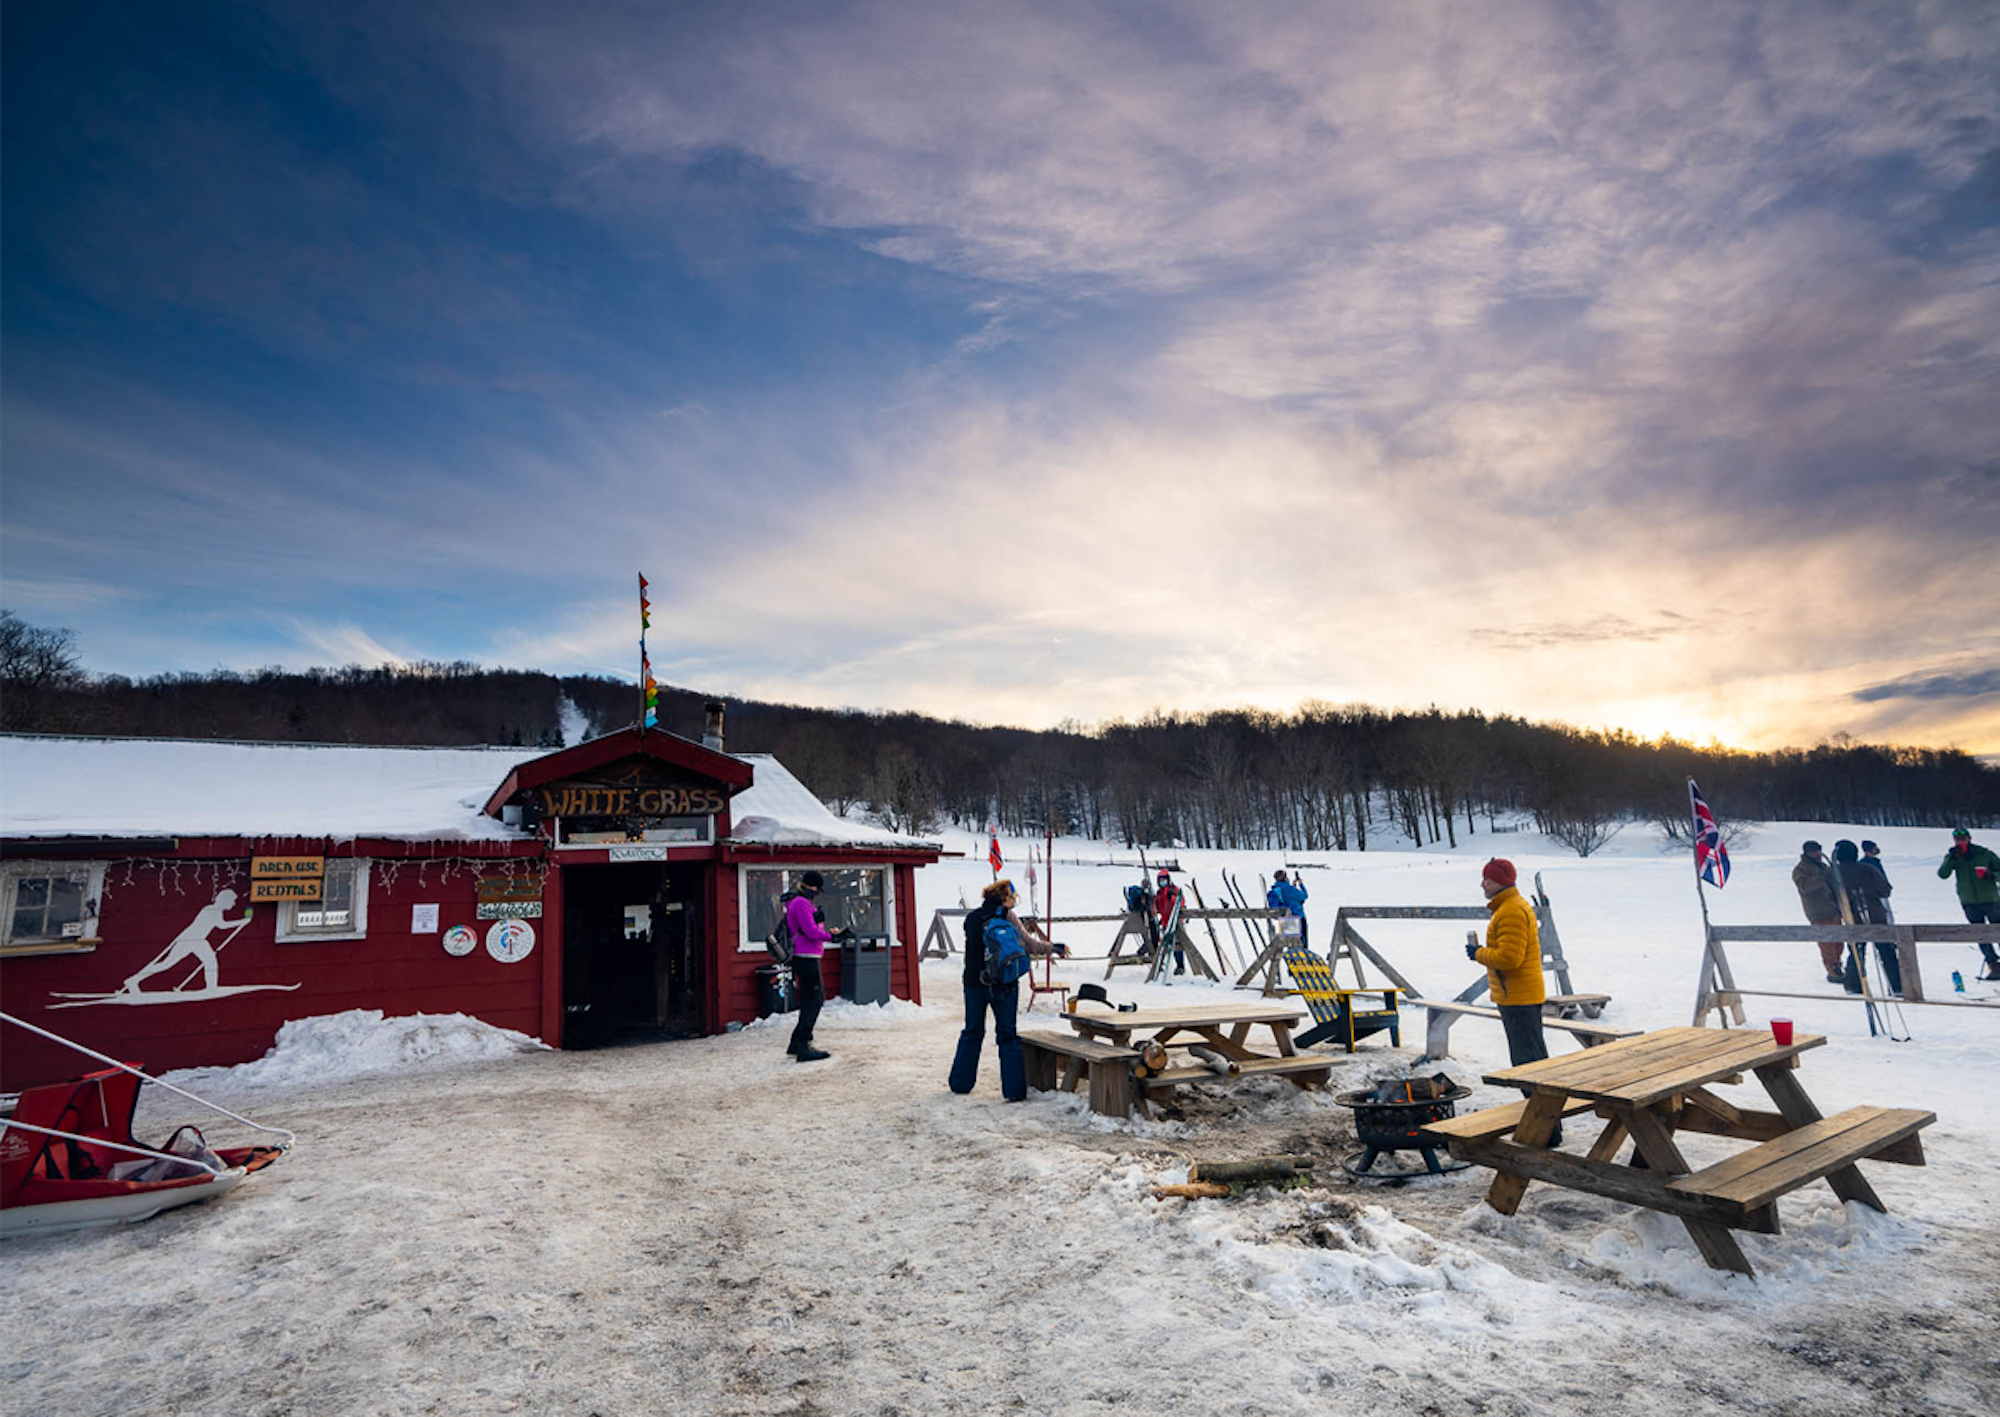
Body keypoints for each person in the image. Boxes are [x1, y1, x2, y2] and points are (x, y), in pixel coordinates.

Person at [1468, 858, 1557, 1143]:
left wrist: (1478, 953)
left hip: (1519, 998)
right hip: (1518, 996)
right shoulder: (1509, 907)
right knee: (1531, 1062)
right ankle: (1548, 1128)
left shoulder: (1510, 911)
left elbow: (1509, 959)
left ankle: (1545, 1129)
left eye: (1488, 880)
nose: (1483, 884)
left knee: (1528, 1065)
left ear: (1502, 882)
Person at [948, 878, 1026, 1101]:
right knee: (1008, 1036)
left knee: (972, 1031)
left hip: (973, 982)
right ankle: (1014, 1091)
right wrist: (1054, 947)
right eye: (1013, 897)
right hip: (1004, 984)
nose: (1014, 902)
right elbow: (1027, 944)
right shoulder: (1007, 918)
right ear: (1005, 899)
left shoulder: (972, 918)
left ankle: (960, 1083)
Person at [784, 871, 850, 1063]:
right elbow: (811, 932)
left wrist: (821, 924)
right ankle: (804, 1045)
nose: (818, 892)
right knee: (814, 999)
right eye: (817, 889)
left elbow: (811, 929)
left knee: (810, 999)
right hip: (806, 956)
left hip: (806, 955)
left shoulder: (800, 903)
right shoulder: (801, 903)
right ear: (810, 887)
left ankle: (796, 1042)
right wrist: (833, 937)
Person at [1831, 839, 1901, 996]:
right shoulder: (1866, 869)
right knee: (1886, 951)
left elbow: (1829, 897)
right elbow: (1885, 890)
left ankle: (1853, 984)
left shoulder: (1833, 873)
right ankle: (1896, 985)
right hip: (1875, 916)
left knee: (1856, 950)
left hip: (1851, 918)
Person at [1937, 827, 2000, 981]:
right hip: (1969, 902)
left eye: (1963, 838)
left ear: (1969, 838)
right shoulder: (1954, 856)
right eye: (1957, 839)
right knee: (1980, 934)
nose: (1961, 841)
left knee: (1998, 931)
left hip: (1991, 900)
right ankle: (1995, 966)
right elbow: (1942, 874)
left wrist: (1990, 876)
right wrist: (1951, 858)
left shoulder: (1984, 854)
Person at [1791, 841, 1845, 984]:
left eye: (1819, 851)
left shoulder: (1823, 866)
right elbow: (1803, 887)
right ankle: (1832, 970)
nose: (1818, 854)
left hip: (1833, 908)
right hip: (1818, 911)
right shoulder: (1800, 870)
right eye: (1815, 852)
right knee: (1826, 943)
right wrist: (1822, 877)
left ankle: (1838, 965)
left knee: (1838, 941)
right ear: (1807, 853)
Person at [1265, 869, 1310, 949]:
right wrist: (1301, 884)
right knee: (1302, 943)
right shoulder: (1290, 889)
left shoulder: (1273, 892)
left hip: (1284, 919)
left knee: (1290, 944)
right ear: (1285, 878)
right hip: (1298, 917)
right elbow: (1304, 896)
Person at [1153, 870, 1187, 975]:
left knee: (1178, 945)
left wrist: (1172, 898)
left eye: (1164, 879)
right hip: (1165, 922)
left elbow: (1180, 903)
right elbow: (1157, 907)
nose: (1162, 882)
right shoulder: (1159, 893)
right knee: (1165, 944)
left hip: (1176, 922)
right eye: (1161, 880)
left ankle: (1180, 966)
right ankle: (1161, 964)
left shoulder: (1175, 890)